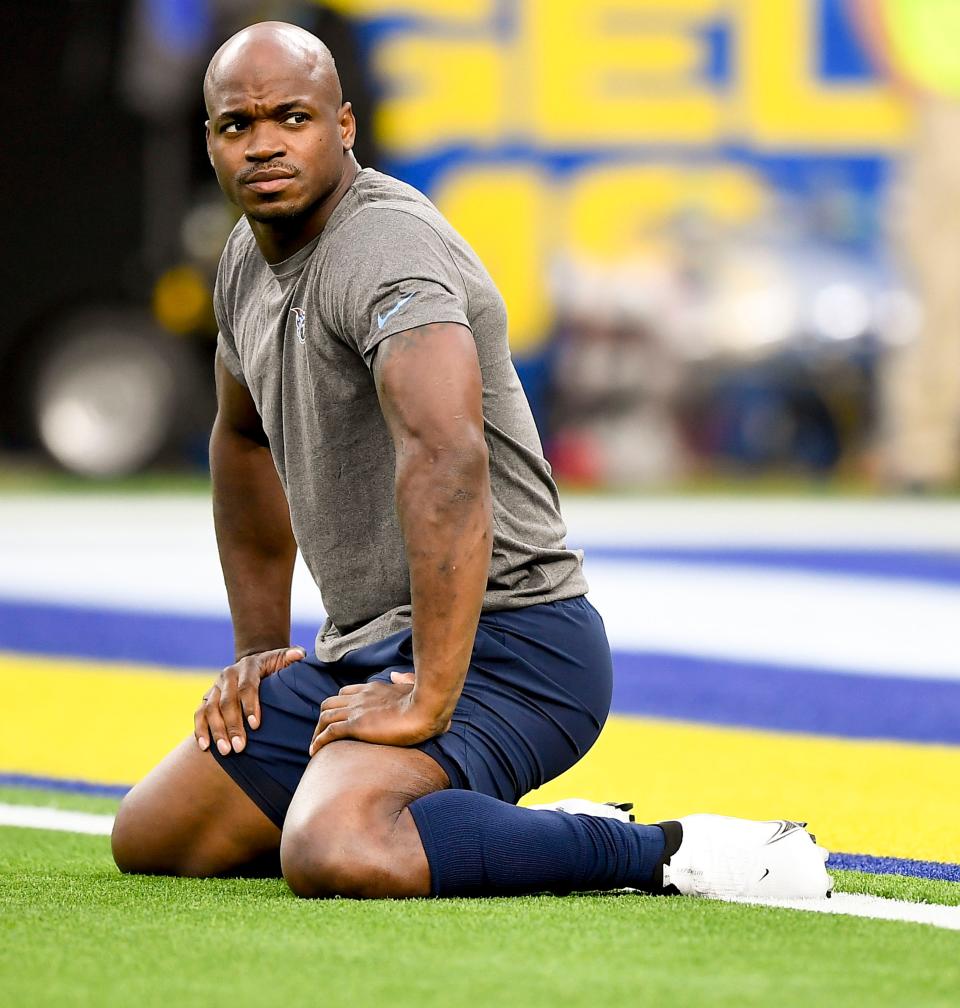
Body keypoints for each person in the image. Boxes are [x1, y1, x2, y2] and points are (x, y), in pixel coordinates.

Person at [110, 21, 832, 901]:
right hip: (365, 653)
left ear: (343, 126)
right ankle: (497, 830)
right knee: (154, 836)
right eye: (237, 124)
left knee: (337, 846)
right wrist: (262, 651)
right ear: (211, 141)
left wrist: (429, 698)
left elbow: (447, 459)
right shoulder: (241, 261)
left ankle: (670, 851)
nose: (263, 143)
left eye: (291, 118)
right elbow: (243, 436)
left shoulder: (384, 247)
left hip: (514, 644)